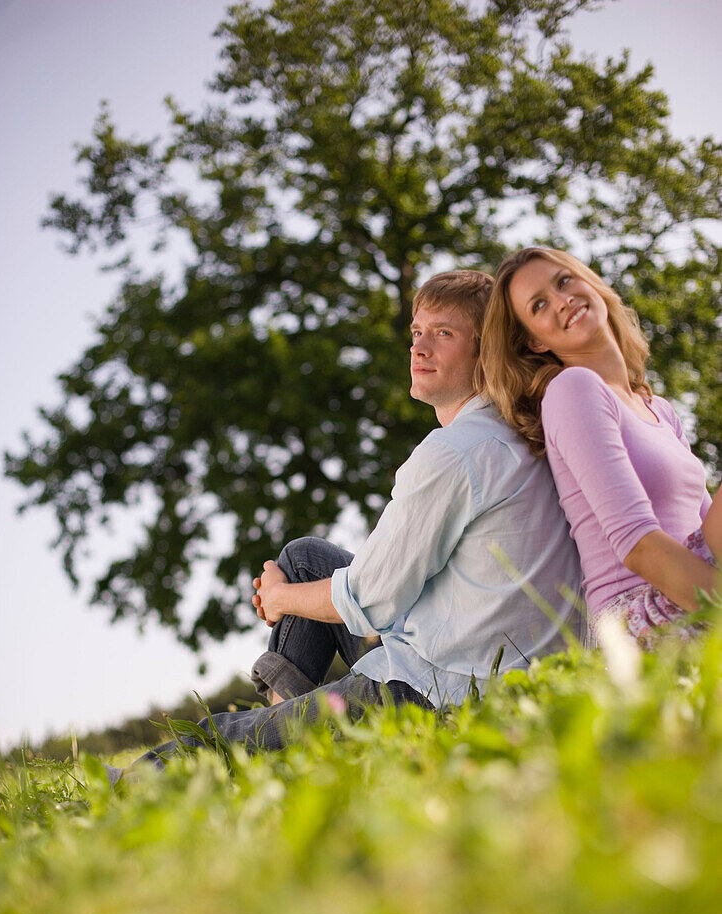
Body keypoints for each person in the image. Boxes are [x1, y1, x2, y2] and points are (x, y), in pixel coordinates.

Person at [109, 269, 582, 783]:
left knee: (219, 738)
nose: (419, 348)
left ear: (486, 350)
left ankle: (106, 798)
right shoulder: (527, 430)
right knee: (307, 556)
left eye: (443, 334)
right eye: (416, 333)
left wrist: (281, 600)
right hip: (488, 661)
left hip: (435, 694)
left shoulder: (454, 453)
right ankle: (290, 723)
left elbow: (372, 600)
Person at [479, 246, 721, 646]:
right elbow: (637, 545)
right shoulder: (573, 389)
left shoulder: (658, 409)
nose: (562, 301)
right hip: (640, 612)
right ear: (535, 342)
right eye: (539, 305)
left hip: (693, 582)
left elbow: (708, 528)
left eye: (564, 281)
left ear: (589, 282)